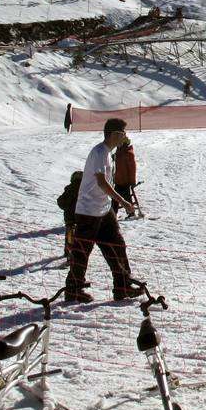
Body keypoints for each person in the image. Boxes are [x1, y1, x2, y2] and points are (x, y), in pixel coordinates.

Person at [65, 118, 142, 303]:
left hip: (104, 209)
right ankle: (74, 289)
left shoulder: (108, 153)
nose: (125, 137)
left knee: (117, 246)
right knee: (82, 252)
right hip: (88, 211)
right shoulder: (100, 152)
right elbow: (102, 182)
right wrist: (123, 201)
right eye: (122, 133)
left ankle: (122, 285)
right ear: (114, 134)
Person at [57, 170, 83, 263]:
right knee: (80, 236)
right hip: (82, 218)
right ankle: (77, 253)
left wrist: (68, 206)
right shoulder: (86, 189)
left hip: (69, 218)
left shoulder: (69, 189)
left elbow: (61, 202)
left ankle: (67, 252)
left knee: (69, 235)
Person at [113, 137, 139, 217]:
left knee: (124, 197)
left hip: (125, 181)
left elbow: (132, 169)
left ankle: (130, 213)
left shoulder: (128, 153)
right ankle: (113, 213)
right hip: (119, 180)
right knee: (116, 198)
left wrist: (132, 181)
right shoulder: (119, 152)